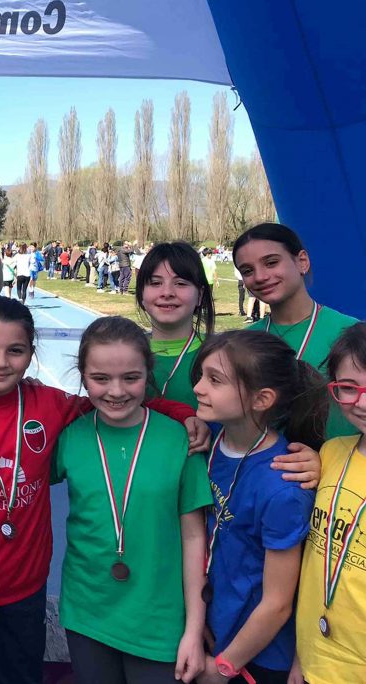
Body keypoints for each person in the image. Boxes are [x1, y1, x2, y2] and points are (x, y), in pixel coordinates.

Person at [0, 296, 206, 684]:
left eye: (15, 350)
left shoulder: (48, 404)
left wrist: (184, 414)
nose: (1, 362)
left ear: (31, 354)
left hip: (22, 593)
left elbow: (115, 403)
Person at [53, 317, 211, 683]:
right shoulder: (70, 437)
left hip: (159, 617)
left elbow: (193, 538)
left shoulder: (180, 440)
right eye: (100, 378)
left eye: (131, 378)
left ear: (148, 373)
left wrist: (193, 629)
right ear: (83, 376)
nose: (116, 391)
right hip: (87, 613)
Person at [191, 330, 325, 684]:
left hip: (256, 657)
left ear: (262, 399)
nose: (198, 388)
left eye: (214, 380)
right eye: (201, 375)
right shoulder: (212, 441)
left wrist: (225, 667)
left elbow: (277, 603)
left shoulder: (283, 487)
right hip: (216, 628)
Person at [234, 222, 359, 438]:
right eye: (248, 271)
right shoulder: (242, 342)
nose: (260, 276)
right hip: (266, 458)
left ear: (302, 261)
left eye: (271, 262)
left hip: (341, 457)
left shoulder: (352, 333)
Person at [292, 322, 366, 683]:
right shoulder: (330, 454)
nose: (362, 403)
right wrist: (300, 658)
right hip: (313, 660)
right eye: (348, 388)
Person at [135, 241, 215, 409]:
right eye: (155, 283)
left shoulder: (222, 357)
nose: (167, 293)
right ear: (141, 293)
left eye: (180, 283)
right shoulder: (122, 354)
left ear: (200, 295)